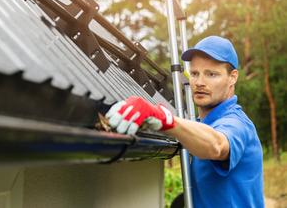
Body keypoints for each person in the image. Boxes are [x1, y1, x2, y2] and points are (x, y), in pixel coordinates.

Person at [105, 36, 264, 208]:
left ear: (232, 77)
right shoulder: (200, 124)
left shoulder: (237, 123)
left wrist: (165, 119)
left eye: (211, 74)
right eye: (195, 73)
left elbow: (217, 145)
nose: (199, 83)